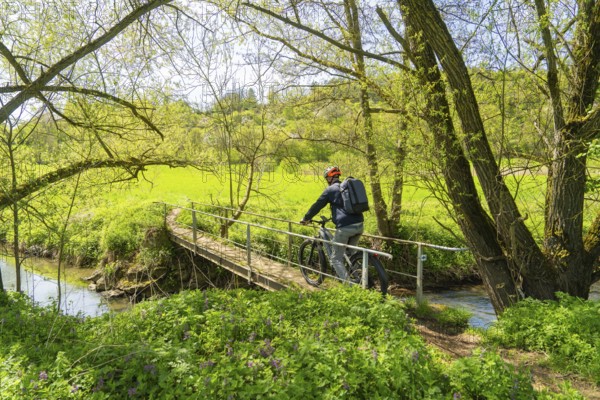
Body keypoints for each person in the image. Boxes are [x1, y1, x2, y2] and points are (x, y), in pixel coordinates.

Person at [300, 166, 364, 281]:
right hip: (359, 224)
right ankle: (361, 279)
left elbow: (317, 205)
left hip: (345, 228)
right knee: (350, 254)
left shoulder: (330, 190)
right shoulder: (347, 187)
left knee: (335, 259)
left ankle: (349, 287)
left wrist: (306, 218)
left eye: (326, 179)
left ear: (329, 178)